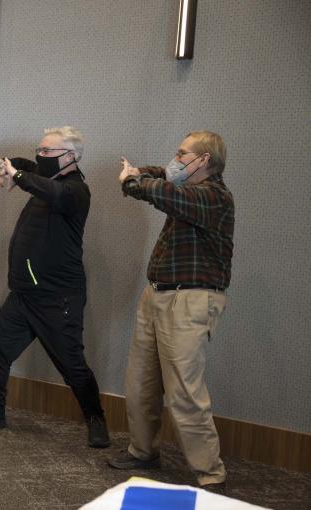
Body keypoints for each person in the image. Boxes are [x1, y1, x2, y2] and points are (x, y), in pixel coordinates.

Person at [0, 126, 110, 449]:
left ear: (70, 158)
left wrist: (16, 176)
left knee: (72, 364)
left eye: (47, 152)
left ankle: (96, 419)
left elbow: (44, 188)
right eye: (39, 149)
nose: (39, 156)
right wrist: (7, 163)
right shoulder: (49, 177)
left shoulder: (74, 191)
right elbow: (29, 169)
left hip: (57, 299)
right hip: (24, 296)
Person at [108, 131, 234, 493]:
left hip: (190, 300)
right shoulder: (183, 187)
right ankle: (143, 451)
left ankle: (210, 473)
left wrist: (136, 180)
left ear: (204, 160)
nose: (175, 159)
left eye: (182, 153)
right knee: (140, 382)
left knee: (184, 391)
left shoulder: (213, 197)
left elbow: (166, 192)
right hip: (157, 295)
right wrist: (137, 174)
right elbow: (159, 178)